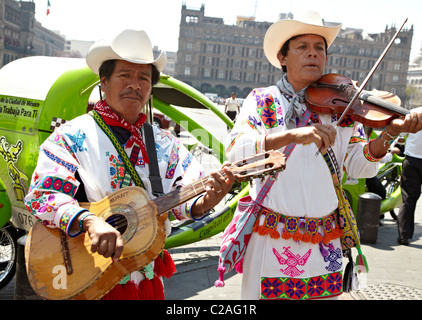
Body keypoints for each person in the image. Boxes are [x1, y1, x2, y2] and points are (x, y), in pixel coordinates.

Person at [224, 10, 422, 300]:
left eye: (319, 48)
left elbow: (359, 165)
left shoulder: (341, 110)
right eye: (302, 47)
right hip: (273, 237)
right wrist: (293, 135)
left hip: (324, 240)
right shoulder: (263, 99)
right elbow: (237, 148)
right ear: (282, 57)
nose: (313, 54)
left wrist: (391, 133)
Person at [24, 29, 235, 300]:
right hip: (85, 272)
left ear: (150, 89)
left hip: (143, 279)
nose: (135, 84)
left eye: (143, 78)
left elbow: (186, 196)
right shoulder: (72, 136)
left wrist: (209, 198)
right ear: (103, 81)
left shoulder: (163, 143)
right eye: (125, 75)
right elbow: (44, 195)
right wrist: (89, 221)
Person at [397, 107, 422, 245]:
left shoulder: (414, 112)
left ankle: (404, 235)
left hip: (412, 160)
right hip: (413, 159)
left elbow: (401, 134)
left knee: (408, 199)